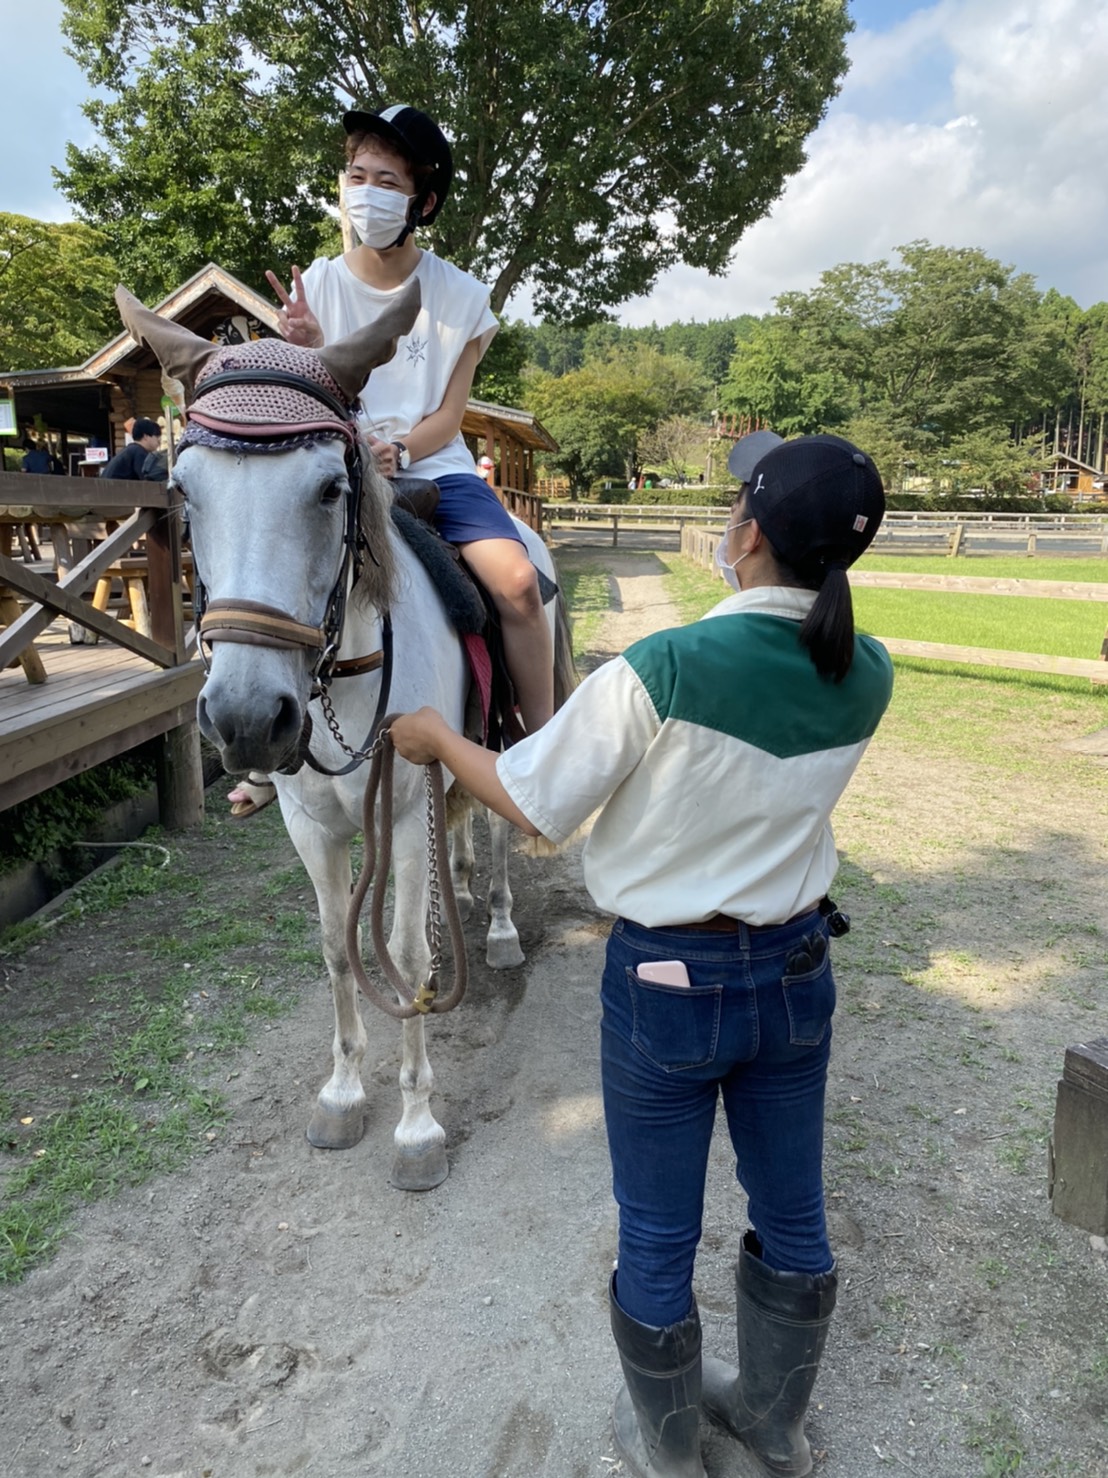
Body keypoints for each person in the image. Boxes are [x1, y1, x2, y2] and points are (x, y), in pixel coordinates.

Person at [387, 433, 894, 1478]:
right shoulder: (869, 668)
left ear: (744, 537)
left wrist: (437, 738)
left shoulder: (664, 667)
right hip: (796, 970)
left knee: (658, 1229)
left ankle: (666, 1446)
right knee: (792, 1207)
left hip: (669, 981)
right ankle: (775, 1426)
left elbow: (531, 799)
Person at [228, 103, 554, 820]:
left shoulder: (463, 298)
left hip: (435, 466)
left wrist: (400, 448)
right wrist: (306, 349)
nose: (365, 191)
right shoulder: (318, 284)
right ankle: (261, 750)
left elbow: (449, 416)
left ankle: (540, 747)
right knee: (255, 568)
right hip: (338, 468)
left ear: (422, 202)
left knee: (519, 583)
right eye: (356, 174)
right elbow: (309, 405)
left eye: (387, 180)